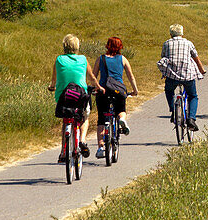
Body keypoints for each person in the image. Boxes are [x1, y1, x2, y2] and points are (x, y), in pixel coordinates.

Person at [48, 33, 101, 163]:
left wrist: (52, 86)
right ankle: (82, 140)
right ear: (77, 46)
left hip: (63, 96)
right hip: (79, 96)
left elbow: (54, 80)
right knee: (85, 117)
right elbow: (91, 78)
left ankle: (63, 152)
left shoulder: (59, 60)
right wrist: (98, 87)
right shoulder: (83, 59)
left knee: (66, 120)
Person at [93, 36, 139, 159]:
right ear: (120, 47)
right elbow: (131, 76)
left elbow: (93, 76)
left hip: (103, 91)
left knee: (101, 119)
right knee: (121, 110)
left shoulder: (100, 59)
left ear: (107, 46)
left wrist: (95, 88)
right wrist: (135, 90)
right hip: (119, 90)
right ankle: (122, 119)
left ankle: (101, 147)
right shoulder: (123, 59)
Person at [159, 23, 206, 132]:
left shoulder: (166, 43)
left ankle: (173, 110)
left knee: (169, 90)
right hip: (187, 76)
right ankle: (191, 119)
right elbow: (196, 58)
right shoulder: (188, 43)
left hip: (172, 76)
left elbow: (163, 57)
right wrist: (202, 70)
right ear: (182, 33)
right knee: (193, 95)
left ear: (171, 34)